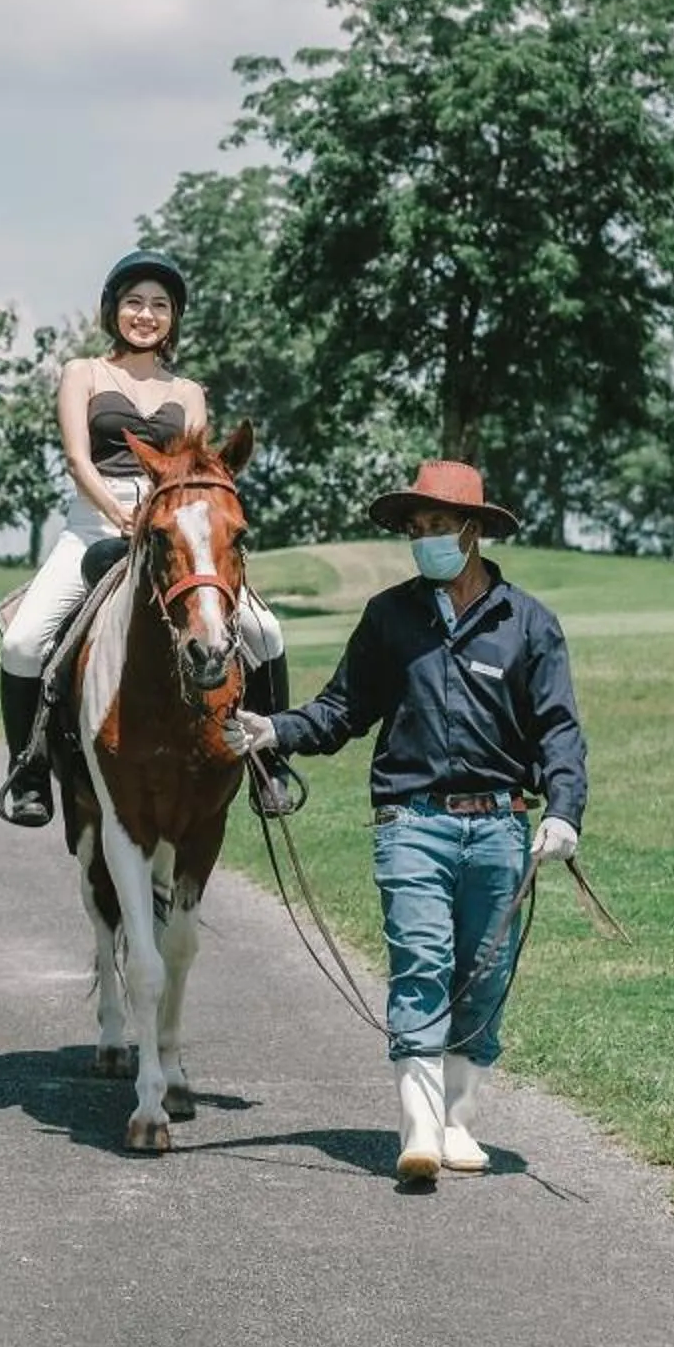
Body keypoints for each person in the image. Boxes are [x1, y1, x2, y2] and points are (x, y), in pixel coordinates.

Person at [216, 459, 586, 1182]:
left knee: (483, 979)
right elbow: (343, 710)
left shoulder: (530, 625)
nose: (425, 542)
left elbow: (560, 733)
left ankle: (455, 1121)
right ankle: (418, 1131)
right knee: (421, 965)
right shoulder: (390, 617)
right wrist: (274, 732)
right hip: (410, 821)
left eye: (438, 528)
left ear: (472, 533)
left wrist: (565, 812)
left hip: (504, 827)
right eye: (415, 531)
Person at [0, 250, 286, 827]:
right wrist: (118, 513)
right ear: (113, 310)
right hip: (93, 527)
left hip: (173, 529)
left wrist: (162, 517)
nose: (145, 315)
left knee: (264, 630)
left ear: (173, 317)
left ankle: (269, 762)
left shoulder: (189, 392)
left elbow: (198, 470)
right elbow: (79, 459)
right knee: (22, 644)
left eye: (159, 305)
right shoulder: (84, 373)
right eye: (134, 303)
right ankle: (29, 770)